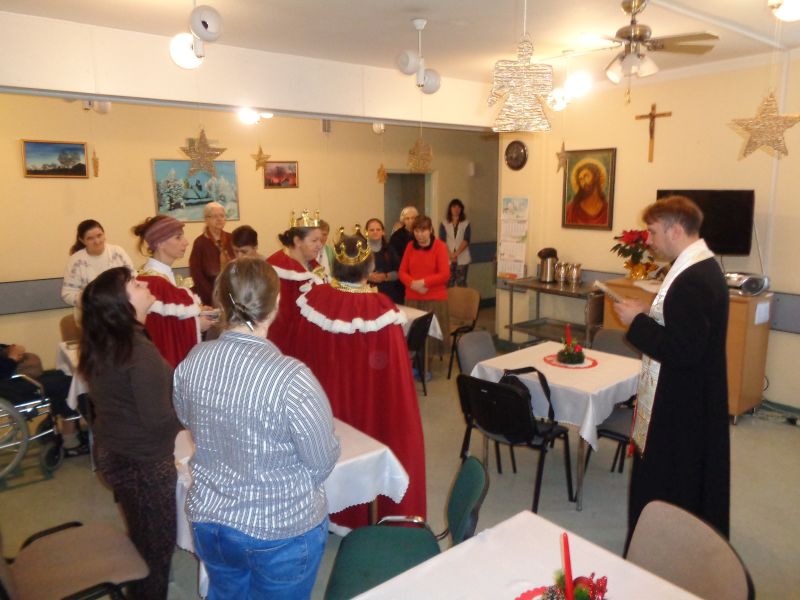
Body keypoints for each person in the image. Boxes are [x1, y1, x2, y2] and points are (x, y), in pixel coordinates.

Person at [173, 258, 340, 600]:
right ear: (276, 302)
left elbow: (188, 420)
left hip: (212, 522)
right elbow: (322, 460)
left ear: (220, 302)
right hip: (281, 529)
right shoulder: (292, 377)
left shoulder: (192, 361)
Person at [613, 195, 730, 542]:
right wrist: (648, 312)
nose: (648, 240)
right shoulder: (697, 266)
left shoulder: (693, 279)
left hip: (681, 407)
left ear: (675, 229)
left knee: (671, 483)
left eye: (652, 232)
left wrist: (636, 322)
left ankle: (661, 550)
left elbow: (682, 351)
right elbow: (683, 327)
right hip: (692, 396)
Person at [294, 227, 427, 529]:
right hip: (371, 407)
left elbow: (304, 357)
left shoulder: (315, 300)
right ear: (369, 267)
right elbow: (395, 379)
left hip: (326, 403)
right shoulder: (382, 310)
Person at [79, 267, 181, 600]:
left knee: (142, 539)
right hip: (143, 465)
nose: (144, 284)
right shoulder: (137, 350)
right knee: (156, 553)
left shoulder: (109, 341)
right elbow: (159, 421)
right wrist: (194, 418)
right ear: (121, 304)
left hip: (115, 453)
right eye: (135, 284)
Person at [132, 215, 214, 367]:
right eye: (178, 237)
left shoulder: (158, 276)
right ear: (160, 243)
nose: (186, 242)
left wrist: (197, 312)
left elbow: (170, 319)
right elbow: (161, 335)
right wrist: (197, 325)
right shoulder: (155, 283)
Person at [0, 343, 86, 456]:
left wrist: (9, 348)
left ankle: (62, 425)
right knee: (68, 383)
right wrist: (12, 357)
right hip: (9, 388)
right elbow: (3, 372)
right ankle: (71, 441)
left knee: (61, 374)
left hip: (11, 382)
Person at [266, 210, 325, 359]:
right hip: (288, 346)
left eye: (321, 240)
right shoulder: (277, 271)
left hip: (310, 340)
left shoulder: (313, 265)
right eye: (314, 241)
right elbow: (278, 321)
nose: (320, 245)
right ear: (298, 241)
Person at [398, 214, 451, 359]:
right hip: (413, 297)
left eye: (423, 231)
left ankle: (428, 363)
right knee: (413, 337)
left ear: (431, 230)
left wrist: (424, 282)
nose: (419, 235)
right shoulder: (410, 246)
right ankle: (415, 362)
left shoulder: (440, 246)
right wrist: (412, 283)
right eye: (416, 231)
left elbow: (445, 274)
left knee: (430, 341)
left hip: (434, 298)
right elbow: (402, 272)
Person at [61, 219, 134, 308]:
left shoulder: (118, 252)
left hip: (121, 307)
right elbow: (67, 294)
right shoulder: (76, 261)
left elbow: (133, 278)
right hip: (90, 311)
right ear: (82, 240)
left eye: (99, 235)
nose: (97, 241)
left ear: (104, 234)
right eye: (90, 238)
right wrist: (91, 303)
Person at [189, 202, 235, 306]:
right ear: (206, 220)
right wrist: (213, 296)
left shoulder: (232, 238)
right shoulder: (200, 242)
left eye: (222, 216)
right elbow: (196, 274)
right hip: (209, 295)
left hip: (233, 292)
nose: (219, 219)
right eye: (215, 216)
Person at [364, 217, 403, 304]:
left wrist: (385, 276)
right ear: (366, 232)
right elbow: (353, 273)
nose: (375, 232)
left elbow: (399, 272)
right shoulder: (360, 251)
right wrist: (367, 276)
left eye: (378, 229)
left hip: (388, 295)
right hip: (366, 295)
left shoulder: (390, 250)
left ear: (383, 232)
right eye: (372, 230)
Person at [439, 198, 472, 287]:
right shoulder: (444, 223)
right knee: (448, 283)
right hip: (447, 257)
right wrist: (450, 255)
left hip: (462, 257)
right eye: (454, 207)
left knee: (461, 283)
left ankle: (462, 297)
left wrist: (455, 254)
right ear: (450, 209)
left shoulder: (466, 223)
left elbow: (466, 240)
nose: (456, 209)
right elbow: (442, 240)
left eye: (458, 207)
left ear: (461, 209)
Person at [564, 160, 609, 226]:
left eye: (586, 176)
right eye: (581, 179)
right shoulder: (571, 209)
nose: (583, 183)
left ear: (596, 177)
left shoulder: (607, 209)